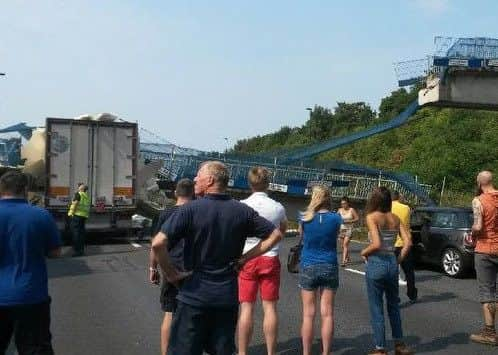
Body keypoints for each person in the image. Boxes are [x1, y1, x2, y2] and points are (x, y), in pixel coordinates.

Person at [151, 161, 283, 355]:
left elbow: (158, 243)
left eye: (199, 175)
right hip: (226, 299)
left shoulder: (190, 210)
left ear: (210, 180)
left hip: (193, 298)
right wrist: (244, 259)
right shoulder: (242, 211)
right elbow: (276, 235)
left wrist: (170, 274)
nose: (195, 178)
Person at [0, 171, 62, 355]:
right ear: (25, 189)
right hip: (30, 297)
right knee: (35, 350)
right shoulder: (41, 216)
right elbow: (55, 252)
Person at [238, 167, 287, 355]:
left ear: (250, 183)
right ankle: (271, 352)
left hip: (247, 258)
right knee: (270, 308)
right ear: (268, 183)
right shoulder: (277, 207)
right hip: (270, 258)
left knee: (247, 308)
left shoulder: (242, 205)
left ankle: (243, 352)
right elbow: (281, 231)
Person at [361, 187, 414, 355]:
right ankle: (399, 345)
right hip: (391, 262)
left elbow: (376, 243)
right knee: (393, 305)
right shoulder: (395, 218)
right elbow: (408, 243)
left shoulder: (372, 217)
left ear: (375, 200)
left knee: (376, 307)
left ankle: (380, 348)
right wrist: (397, 260)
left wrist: (364, 252)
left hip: (377, 262)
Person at [149, 178, 195, 355]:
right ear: (194, 193)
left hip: (170, 268)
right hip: (193, 269)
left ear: (176, 192)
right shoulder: (198, 213)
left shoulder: (164, 215)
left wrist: (153, 268)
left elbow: (155, 245)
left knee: (170, 313)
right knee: (192, 315)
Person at [298, 185, 342, 355]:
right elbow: (336, 236)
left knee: (308, 314)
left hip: (308, 264)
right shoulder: (336, 218)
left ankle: (306, 352)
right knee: (328, 313)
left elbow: (302, 238)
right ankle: (326, 352)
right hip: (329, 264)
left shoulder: (304, 217)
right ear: (328, 198)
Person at [470, 171, 498, 346]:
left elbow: (478, 226)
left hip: (485, 250)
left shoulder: (478, 200)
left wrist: (471, 232)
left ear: (479, 183)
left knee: (488, 292)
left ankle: (490, 332)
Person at [391, 191, 418, 303]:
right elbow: (408, 223)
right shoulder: (406, 208)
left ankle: (394, 296)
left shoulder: (386, 208)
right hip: (404, 243)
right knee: (409, 271)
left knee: (392, 272)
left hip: (391, 243)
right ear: (398, 197)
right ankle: (411, 293)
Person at [68, 182, 90, 257]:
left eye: (79, 186)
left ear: (81, 188)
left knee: (76, 234)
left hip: (77, 216)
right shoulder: (86, 196)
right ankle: (81, 250)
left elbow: (75, 204)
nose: (78, 186)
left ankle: (76, 251)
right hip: (83, 216)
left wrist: (71, 213)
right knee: (81, 234)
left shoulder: (78, 194)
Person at [337, 196, 359, 266]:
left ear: (348, 203)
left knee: (345, 244)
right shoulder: (339, 210)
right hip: (341, 229)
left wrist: (349, 221)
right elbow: (336, 218)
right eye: (342, 204)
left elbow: (357, 218)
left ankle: (344, 261)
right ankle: (347, 257)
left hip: (349, 229)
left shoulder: (351, 210)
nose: (343, 205)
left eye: (344, 203)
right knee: (342, 246)